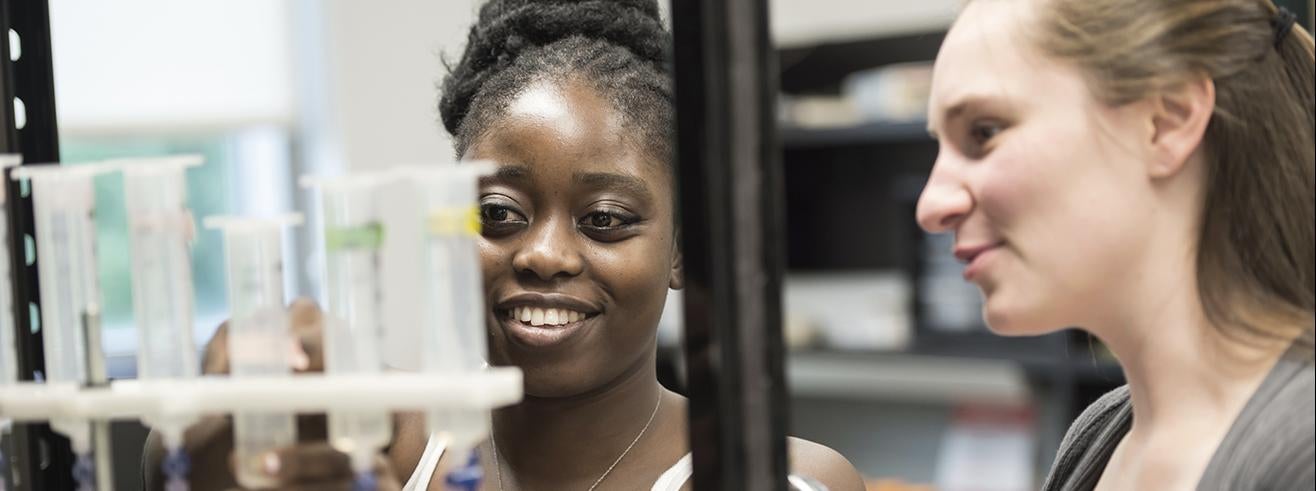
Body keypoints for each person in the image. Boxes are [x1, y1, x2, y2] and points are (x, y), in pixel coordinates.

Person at [145, 1, 866, 490]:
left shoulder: (778, 476)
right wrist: (230, 431)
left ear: (681, 247)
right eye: (498, 212)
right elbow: (168, 457)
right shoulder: (384, 445)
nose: (543, 254)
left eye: (605, 218)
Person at [917, 0, 1315, 489]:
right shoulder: (1099, 437)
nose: (931, 205)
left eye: (985, 132)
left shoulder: (1301, 452)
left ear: (1166, 121)